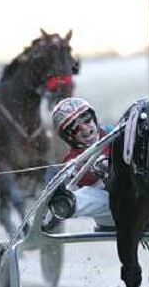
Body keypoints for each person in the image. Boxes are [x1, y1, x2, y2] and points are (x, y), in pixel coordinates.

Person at [48, 97, 115, 230]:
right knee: (88, 194)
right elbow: (89, 181)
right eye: (74, 128)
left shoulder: (112, 132)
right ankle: (65, 204)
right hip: (112, 210)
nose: (84, 128)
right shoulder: (72, 160)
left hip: (144, 198)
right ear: (68, 136)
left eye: (86, 120)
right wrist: (100, 168)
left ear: (94, 118)